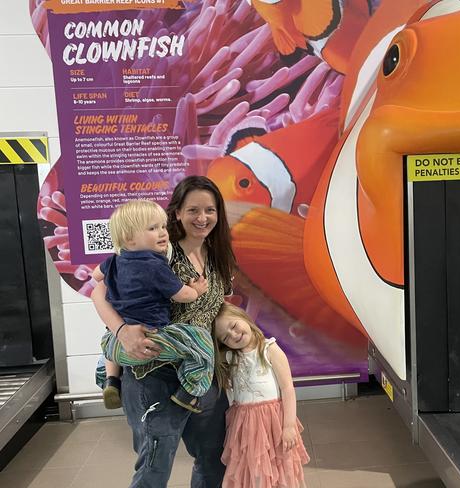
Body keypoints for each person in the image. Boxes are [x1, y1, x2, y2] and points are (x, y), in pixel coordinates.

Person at [91, 175, 236, 488]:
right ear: (177, 213)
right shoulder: (158, 252)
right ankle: (111, 377)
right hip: (152, 371)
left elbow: (214, 309)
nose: (202, 217)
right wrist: (121, 331)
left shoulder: (219, 256)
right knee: (155, 463)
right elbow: (97, 292)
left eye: (210, 210)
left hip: (201, 372)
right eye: (193, 210)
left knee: (214, 457)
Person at [93, 199, 213, 414]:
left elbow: (95, 276)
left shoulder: (113, 261)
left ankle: (110, 381)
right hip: (153, 340)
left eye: (163, 226)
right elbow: (182, 295)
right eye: (152, 228)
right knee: (202, 342)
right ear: (129, 238)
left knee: (106, 345)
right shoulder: (154, 265)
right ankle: (189, 392)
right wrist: (197, 290)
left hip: (113, 346)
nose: (162, 233)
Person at [213, 302, 309, 488]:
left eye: (233, 326)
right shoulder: (230, 358)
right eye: (226, 338)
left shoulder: (269, 349)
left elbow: (287, 388)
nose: (234, 335)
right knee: (252, 467)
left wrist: (288, 425)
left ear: (244, 317)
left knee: (278, 464)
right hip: (245, 423)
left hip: (273, 421)